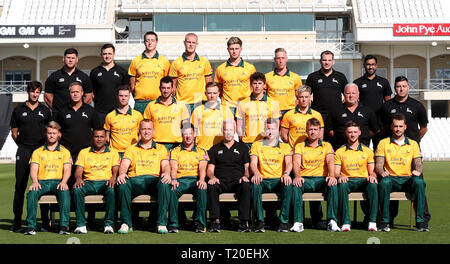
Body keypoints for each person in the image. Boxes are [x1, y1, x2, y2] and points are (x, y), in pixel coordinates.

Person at [379, 76, 430, 228]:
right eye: (399, 86)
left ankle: (422, 220)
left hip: (411, 151)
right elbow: (382, 127)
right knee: (390, 182)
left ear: (408, 87)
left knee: (418, 183)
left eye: (404, 86)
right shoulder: (387, 106)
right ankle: (389, 219)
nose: (401, 89)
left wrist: (413, 140)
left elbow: (424, 128)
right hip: (392, 149)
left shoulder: (417, 105)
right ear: (395, 88)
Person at [116, 119, 171, 234]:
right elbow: (124, 163)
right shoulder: (131, 148)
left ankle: (161, 223)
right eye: (144, 129)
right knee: (123, 184)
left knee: (165, 183)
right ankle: (126, 223)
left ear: (153, 131)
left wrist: (166, 172)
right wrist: (122, 173)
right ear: (139, 131)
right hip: (135, 180)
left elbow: (165, 164)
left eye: (149, 129)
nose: (146, 132)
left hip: (154, 181)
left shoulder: (161, 148)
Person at [10, 81, 51, 232]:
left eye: (37, 92)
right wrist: (22, 145)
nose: (35, 94)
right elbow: (14, 132)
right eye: (32, 91)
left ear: (40, 93)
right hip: (24, 150)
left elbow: (49, 131)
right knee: (20, 187)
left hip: (40, 151)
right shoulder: (19, 110)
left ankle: (45, 223)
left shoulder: (45, 110)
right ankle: (17, 223)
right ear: (28, 91)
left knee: (44, 186)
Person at [375, 113, 428, 232]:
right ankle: (384, 222)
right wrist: (381, 171)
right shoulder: (383, 143)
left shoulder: (413, 143)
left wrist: (418, 171)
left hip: (407, 179)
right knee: (383, 183)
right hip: (391, 179)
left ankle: (421, 223)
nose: (398, 129)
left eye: (400, 126)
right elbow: (379, 163)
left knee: (419, 182)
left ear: (405, 127)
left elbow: (418, 163)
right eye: (395, 126)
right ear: (391, 127)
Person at [23, 121, 72, 235]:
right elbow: (34, 169)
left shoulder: (65, 152)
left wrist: (64, 182)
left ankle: (64, 226)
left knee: (65, 191)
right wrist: (35, 182)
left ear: (58, 134)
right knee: (32, 193)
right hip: (42, 182)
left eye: (54, 133)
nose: (51, 135)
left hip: (58, 182)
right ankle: (31, 226)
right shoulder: (37, 152)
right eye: (49, 133)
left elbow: (67, 169)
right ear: (46, 134)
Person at [292, 118, 340, 232]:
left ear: (319, 131)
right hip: (306, 179)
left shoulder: (327, 145)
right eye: (310, 129)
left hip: (321, 179)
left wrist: (332, 175)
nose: (313, 132)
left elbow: (330, 161)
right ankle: (298, 222)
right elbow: (296, 162)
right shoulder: (299, 146)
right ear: (306, 131)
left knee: (333, 184)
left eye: (315, 129)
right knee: (295, 185)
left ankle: (332, 221)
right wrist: (297, 176)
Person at [159, 123, 208, 233]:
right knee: (172, 189)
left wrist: (202, 180)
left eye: (190, 133)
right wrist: (174, 179)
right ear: (181, 135)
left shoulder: (201, 151)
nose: (188, 136)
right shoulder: (174, 151)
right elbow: (173, 168)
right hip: (181, 180)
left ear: (194, 134)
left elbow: (203, 168)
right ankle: (173, 224)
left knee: (202, 188)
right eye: (185, 134)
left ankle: (199, 224)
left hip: (195, 179)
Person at [72, 128, 120, 234]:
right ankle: (81, 225)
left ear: (105, 138)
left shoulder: (113, 152)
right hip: (89, 182)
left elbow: (116, 168)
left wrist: (113, 177)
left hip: (105, 182)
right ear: (92, 138)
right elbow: (79, 170)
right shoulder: (84, 152)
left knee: (112, 190)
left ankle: (108, 224)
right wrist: (79, 178)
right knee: (77, 190)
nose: (99, 139)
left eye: (102, 136)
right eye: (96, 136)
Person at [250, 118, 294, 233]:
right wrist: (256, 173)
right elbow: (253, 163)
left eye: (273, 129)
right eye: (268, 129)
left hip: (278, 180)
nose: (270, 131)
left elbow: (289, 163)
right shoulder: (256, 145)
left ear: (278, 131)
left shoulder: (285, 146)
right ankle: (259, 221)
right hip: (263, 180)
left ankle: (283, 222)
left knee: (288, 184)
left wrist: (286, 174)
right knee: (255, 184)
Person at [207, 119, 251, 232]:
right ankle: (215, 221)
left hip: (237, 181)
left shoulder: (243, 148)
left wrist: (245, 176)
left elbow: (247, 168)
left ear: (235, 131)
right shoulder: (214, 149)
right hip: (220, 181)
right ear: (222, 131)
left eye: (231, 130)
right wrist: (212, 177)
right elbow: (210, 169)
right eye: (226, 129)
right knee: (211, 186)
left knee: (246, 185)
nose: (228, 132)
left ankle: (243, 222)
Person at [335, 121, 378, 232]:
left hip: (363, 181)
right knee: (342, 185)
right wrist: (340, 176)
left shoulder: (368, 151)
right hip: (348, 181)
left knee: (373, 185)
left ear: (359, 132)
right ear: (346, 133)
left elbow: (372, 172)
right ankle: (345, 223)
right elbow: (336, 172)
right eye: (350, 132)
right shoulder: (339, 151)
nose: (352, 134)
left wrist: (372, 176)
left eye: (355, 132)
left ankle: (372, 222)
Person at [305, 50, 348, 141]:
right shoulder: (312, 77)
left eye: (329, 60)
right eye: (324, 60)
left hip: (336, 116)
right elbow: (306, 96)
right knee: (318, 141)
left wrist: (342, 107)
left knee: (337, 141)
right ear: (320, 61)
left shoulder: (340, 77)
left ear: (333, 61)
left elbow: (347, 95)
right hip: (319, 115)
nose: (327, 62)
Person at [353, 54, 392, 150]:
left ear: (376, 66)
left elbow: (388, 103)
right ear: (364, 65)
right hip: (363, 121)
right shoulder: (357, 83)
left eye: (373, 64)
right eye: (368, 64)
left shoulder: (384, 82)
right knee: (361, 150)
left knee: (379, 151)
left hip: (379, 122)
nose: (371, 67)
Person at [169, 33, 213, 114]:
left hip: (200, 102)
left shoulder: (204, 62)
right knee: (184, 126)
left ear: (197, 44)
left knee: (199, 126)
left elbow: (209, 85)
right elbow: (173, 87)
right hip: (183, 103)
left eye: (193, 43)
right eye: (189, 42)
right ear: (184, 43)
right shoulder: (176, 63)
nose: (191, 45)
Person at [327, 83, 379, 151]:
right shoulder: (335, 111)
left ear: (358, 94)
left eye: (353, 93)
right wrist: (340, 137)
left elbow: (375, 129)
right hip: (341, 150)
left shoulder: (367, 111)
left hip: (362, 151)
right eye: (348, 93)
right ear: (344, 94)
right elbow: (329, 130)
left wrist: (364, 136)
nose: (351, 96)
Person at [143, 76, 190, 151]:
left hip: (176, 144)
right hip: (156, 144)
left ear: (172, 89)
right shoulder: (151, 106)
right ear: (159, 88)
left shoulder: (181, 106)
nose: (166, 91)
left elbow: (186, 127)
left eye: (168, 88)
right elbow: (145, 127)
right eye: (163, 88)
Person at [236, 72, 281, 149]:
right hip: (248, 143)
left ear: (264, 85)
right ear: (251, 85)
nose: (257, 86)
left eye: (260, 83)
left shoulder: (273, 103)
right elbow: (239, 125)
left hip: (265, 142)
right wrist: (242, 139)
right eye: (254, 83)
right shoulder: (242, 103)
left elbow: (276, 125)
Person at [128, 31, 170, 114]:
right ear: (144, 42)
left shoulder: (164, 61)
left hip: (158, 102)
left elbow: (168, 83)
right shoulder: (136, 61)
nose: (150, 43)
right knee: (141, 127)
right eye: (147, 40)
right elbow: (132, 84)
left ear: (156, 42)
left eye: (152, 40)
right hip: (140, 103)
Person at [90, 43, 130, 126]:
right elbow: (91, 92)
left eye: (109, 54)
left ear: (113, 54)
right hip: (100, 112)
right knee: (100, 138)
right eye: (105, 54)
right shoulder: (94, 72)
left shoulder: (122, 71)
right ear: (101, 55)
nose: (107, 56)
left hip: (117, 112)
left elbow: (126, 92)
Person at [214, 36, 256, 115]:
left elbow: (254, 87)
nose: (234, 51)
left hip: (245, 106)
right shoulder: (220, 69)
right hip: (226, 107)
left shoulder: (250, 68)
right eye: (231, 49)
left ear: (241, 49)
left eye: (236, 49)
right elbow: (218, 89)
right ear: (228, 50)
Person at [44, 48, 93, 115]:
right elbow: (47, 96)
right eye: (68, 58)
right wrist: (57, 109)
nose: (70, 60)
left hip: (77, 115)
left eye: (73, 58)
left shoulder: (83, 77)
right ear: (63, 59)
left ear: (77, 60)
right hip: (58, 115)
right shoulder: (54, 76)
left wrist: (79, 109)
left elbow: (89, 96)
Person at [191, 82, 235, 151]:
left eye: (214, 93)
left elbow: (232, 132)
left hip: (221, 149)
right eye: (209, 93)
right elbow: (193, 132)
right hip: (202, 149)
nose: (212, 96)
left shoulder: (226, 110)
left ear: (219, 93)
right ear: (205, 94)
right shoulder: (197, 110)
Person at [104, 85, 143, 157]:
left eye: (126, 96)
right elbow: (107, 136)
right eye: (121, 96)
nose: (123, 98)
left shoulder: (138, 115)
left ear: (129, 97)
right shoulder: (110, 116)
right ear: (117, 96)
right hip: (115, 154)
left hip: (132, 153)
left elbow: (141, 134)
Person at [265, 48, 303, 117]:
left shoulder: (295, 77)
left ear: (286, 59)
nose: (280, 61)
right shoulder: (267, 77)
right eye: (278, 58)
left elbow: (299, 97)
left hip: (290, 111)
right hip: (272, 111)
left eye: (283, 58)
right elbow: (263, 96)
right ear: (274, 59)